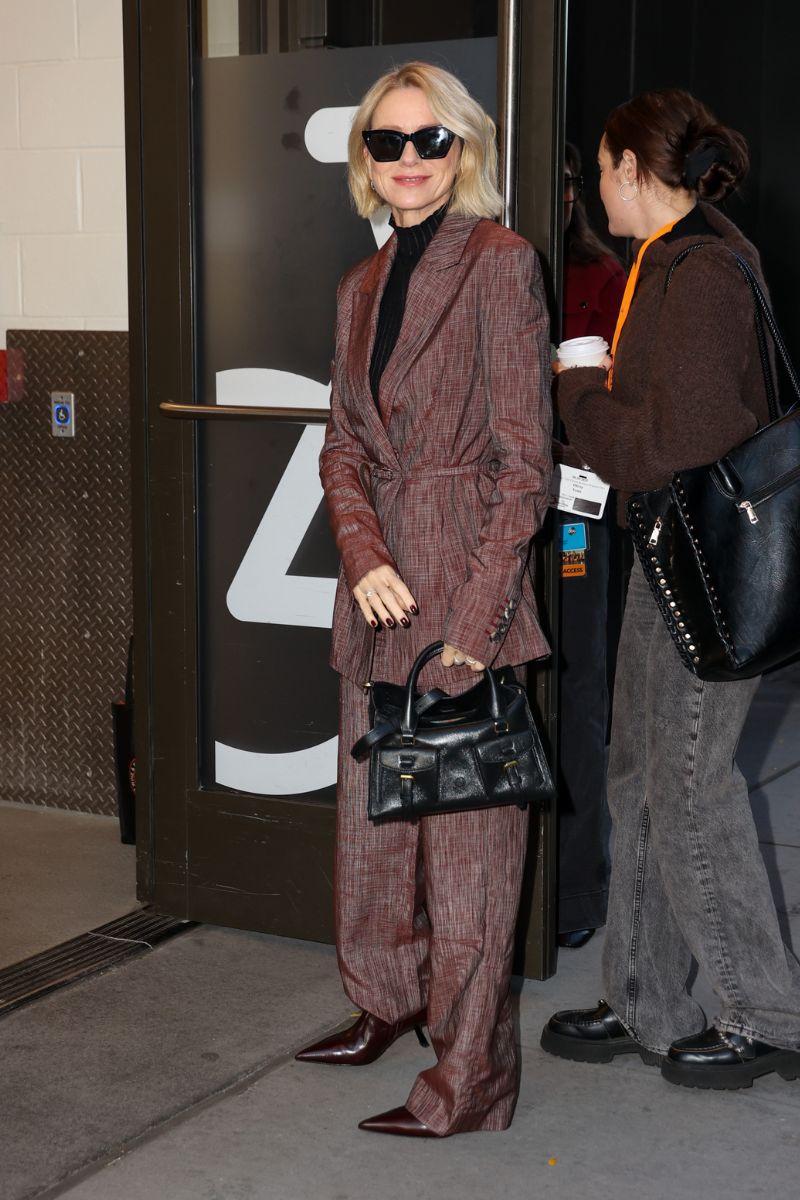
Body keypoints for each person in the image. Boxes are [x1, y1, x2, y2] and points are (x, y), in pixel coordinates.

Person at [295, 63, 552, 1136]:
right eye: (387, 142)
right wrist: (360, 557)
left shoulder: (499, 265)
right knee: (370, 831)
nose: (407, 160)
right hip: (378, 601)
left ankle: (470, 1077)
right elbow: (345, 445)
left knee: (468, 865)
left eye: (429, 141)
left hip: (463, 600)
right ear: (365, 158)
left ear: (464, 151)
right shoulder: (358, 286)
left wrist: (475, 625)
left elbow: (523, 466)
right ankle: (384, 1003)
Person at [541, 88, 800, 1088]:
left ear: (625, 166)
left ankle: (767, 1013)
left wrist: (578, 391)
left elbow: (665, 447)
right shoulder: (671, 257)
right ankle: (647, 998)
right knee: (638, 777)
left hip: (706, 568)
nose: (593, 187)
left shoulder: (699, 273)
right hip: (674, 558)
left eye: (599, 168)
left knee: (689, 791)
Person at [556, 143, 626, 949]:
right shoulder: (477, 265)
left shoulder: (602, 278)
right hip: (491, 507)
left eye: (570, 181)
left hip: (575, 513)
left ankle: (577, 892)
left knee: (577, 690)